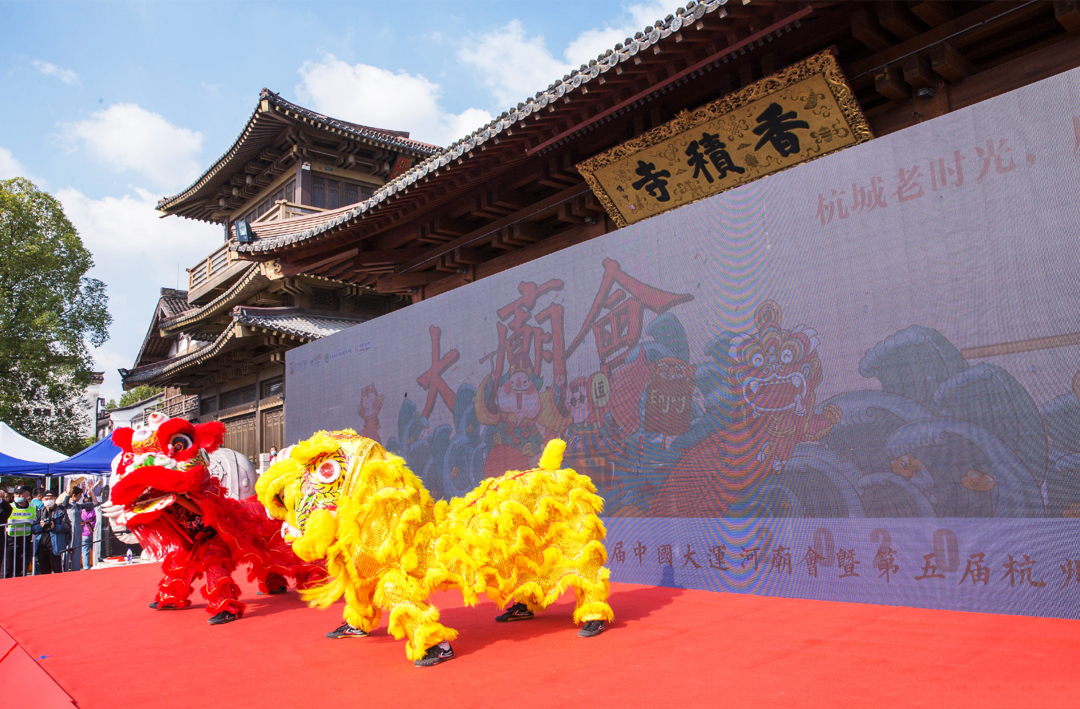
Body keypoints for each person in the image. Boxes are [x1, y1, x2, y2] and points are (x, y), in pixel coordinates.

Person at [32, 491, 71, 575]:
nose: (48, 500)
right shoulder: (39, 512)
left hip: (55, 546)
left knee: (58, 571)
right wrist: (40, 526)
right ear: (42, 500)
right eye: (46, 499)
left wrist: (55, 527)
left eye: (51, 498)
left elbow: (67, 527)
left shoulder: (60, 511)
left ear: (54, 499)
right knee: (44, 573)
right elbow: (33, 528)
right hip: (42, 546)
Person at [4, 486, 35, 577]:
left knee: (22, 570)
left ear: (27, 494)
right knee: (8, 569)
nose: (18, 495)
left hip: (26, 542)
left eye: (21, 493)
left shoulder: (33, 508)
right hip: (11, 542)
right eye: (16, 494)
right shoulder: (9, 507)